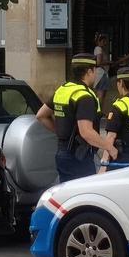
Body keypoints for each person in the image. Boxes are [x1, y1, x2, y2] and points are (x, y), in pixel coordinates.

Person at [36, 54, 118, 182]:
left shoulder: (62, 90)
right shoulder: (84, 96)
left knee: (67, 194)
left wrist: (60, 131)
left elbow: (41, 115)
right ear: (89, 71)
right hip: (79, 157)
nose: (95, 74)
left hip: (62, 152)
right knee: (84, 195)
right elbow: (86, 132)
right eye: (95, 70)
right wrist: (108, 146)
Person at [92, 33, 111, 103]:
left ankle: (99, 110)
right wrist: (109, 62)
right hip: (101, 74)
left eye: (105, 41)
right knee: (101, 94)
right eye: (103, 41)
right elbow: (99, 62)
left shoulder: (100, 49)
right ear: (99, 41)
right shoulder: (98, 49)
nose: (105, 43)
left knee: (101, 95)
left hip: (102, 73)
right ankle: (99, 111)